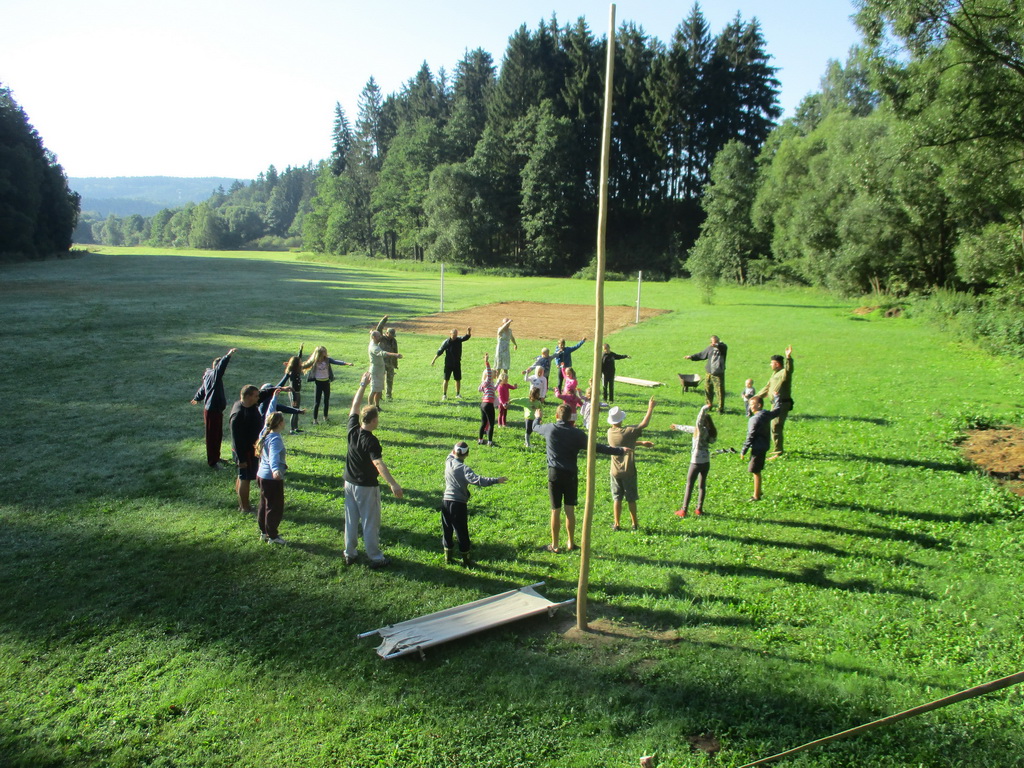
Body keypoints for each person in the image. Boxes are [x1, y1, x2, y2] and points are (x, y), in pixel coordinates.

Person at [531, 403, 630, 553]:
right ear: (571, 417)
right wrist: (619, 451)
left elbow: (535, 427)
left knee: (555, 510)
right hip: (570, 474)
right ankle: (570, 542)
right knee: (569, 509)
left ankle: (555, 545)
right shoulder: (577, 434)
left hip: (554, 474)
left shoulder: (550, 428)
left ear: (557, 416)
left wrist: (537, 418)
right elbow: (597, 447)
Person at [343, 371, 403, 568]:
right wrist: (393, 484)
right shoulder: (371, 441)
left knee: (351, 520)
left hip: (349, 483)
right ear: (374, 420)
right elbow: (378, 464)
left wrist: (362, 384)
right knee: (370, 522)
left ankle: (350, 553)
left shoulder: (352, 429)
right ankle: (375, 557)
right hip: (366, 487)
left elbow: (354, 405)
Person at [441, 441, 507, 565]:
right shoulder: (464, 469)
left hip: (445, 501)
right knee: (461, 531)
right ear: (467, 454)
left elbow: (452, 453)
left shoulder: (448, 461)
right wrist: (496, 480)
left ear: (454, 451)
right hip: (458, 504)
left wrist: (456, 449)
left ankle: (448, 557)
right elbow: (479, 480)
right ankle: (466, 560)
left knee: (447, 529)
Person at [606, 399, 655, 531]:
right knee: (631, 498)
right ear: (621, 419)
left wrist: (641, 443)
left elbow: (622, 444)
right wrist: (650, 407)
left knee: (617, 498)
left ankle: (617, 524)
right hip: (628, 471)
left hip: (615, 471)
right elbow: (644, 424)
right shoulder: (628, 431)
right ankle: (634, 524)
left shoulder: (610, 433)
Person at [191, 347, 236, 468]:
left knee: (217, 435)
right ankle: (212, 462)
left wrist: (197, 398)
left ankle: (216, 457)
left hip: (216, 410)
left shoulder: (209, 375)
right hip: (212, 411)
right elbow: (221, 368)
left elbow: (203, 389)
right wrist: (228, 355)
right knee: (212, 437)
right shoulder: (215, 375)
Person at [671, 403, 717, 518]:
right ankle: (699, 509)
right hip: (706, 462)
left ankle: (684, 510)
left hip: (696, 462)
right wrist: (677, 426)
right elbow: (689, 428)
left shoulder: (700, 431)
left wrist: (703, 409)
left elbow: (698, 422)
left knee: (689, 485)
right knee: (702, 485)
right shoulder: (709, 432)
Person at [255, 411, 288, 544]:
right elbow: (273, 456)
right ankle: (273, 536)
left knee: (264, 504)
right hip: (271, 478)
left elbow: (269, 412)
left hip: (261, 476)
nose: (284, 422)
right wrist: (275, 470)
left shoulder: (266, 433)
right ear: (279, 423)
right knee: (274, 507)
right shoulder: (275, 439)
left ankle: (264, 532)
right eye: (283, 420)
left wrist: (273, 400)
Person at [755, 345, 794, 458]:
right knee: (773, 426)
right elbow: (767, 387)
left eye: (772, 363)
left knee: (776, 426)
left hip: (782, 403)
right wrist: (755, 397)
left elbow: (789, 370)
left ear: (777, 364)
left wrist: (788, 358)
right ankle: (777, 448)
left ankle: (778, 451)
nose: (770, 365)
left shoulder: (784, 373)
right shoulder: (775, 374)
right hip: (775, 404)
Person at [229, 384, 263, 513]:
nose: (258, 398)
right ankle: (245, 507)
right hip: (245, 452)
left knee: (241, 476)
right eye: (256, 396)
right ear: (248, 397)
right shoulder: (239, 415)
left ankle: (242, 504)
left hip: (249, 450)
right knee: (245, 478)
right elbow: (236, 439)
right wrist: (241, 459)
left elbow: (264, 394)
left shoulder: (248, 405)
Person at [740, 396, 781, 501]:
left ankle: (756, 496)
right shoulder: (766, 414)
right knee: (756, 469)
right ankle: (759, 490)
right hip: (764, 445)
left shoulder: (754, 419)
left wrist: (744, 450)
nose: (750, 406)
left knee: (755, 471)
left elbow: (750, 436)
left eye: (752, 404)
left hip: (757, 448)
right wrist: (777, 398)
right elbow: (777, 410)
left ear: (759, 405)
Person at [302, 346, 353, 424]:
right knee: (317, 402)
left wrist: (346, 363)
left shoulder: (327, 360)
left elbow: (336, 361)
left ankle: (325, 417)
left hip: (326, 382)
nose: (325, 353)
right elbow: (305, 365)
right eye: (324, 352)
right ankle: (315, 419)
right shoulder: (314, 361)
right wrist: (291, 365)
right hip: (318, 383)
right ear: (319, 353)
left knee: (326, 401)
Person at [685, 335, 728, 414]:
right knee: (708, 390)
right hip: (709, 373)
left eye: (716, 342)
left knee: (719, 392)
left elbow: (721, 347)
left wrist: (716, 345)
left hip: (718, 374)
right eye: (713, 342)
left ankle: (720, 408)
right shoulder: (710, 348)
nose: (714, 344)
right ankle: (709, 406)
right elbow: (701, 355)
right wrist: (691, 357)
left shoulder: (723, 347)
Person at [431, 327, 472, 400]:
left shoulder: (458, 340)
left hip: (457, 363)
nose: (455, 336)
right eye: (454, 335)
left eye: (456, 335)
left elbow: (466, 337)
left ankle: (458, 394)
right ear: (450, 334)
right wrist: (433, 360)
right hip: (448, 364)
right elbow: (440, 351)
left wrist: (468, 331)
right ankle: (444, 395)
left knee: (458, 379)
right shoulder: (446, 342)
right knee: (446, 379)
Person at [368, 329, 402, 409]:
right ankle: (369, 407)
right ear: (374, 337)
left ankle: (377, 406)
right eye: (379, 336)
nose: (380, 337)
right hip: (375, 371)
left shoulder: (375, 342)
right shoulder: (374, 347)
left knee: (379, 390)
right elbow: (382, 353)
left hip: (380, 370)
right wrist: (394, 355)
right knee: (374, 390)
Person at [279, 344, 305, 434]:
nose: (301, 363)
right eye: (299, 362)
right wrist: (294, 398)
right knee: (294, 411)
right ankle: (291, 429)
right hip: (294, 393)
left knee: (297, 410)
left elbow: (298, 357)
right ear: (296, 364)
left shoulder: (296, 370)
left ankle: (296, 428)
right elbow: (293, 386)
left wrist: (300, 350)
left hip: (297, 392)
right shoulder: (293, 373)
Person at [374, 316, 399, 400]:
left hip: (390, 363)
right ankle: (379, 396)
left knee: (390, 379)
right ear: (387, 333)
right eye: (391, 335)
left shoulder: (393, 341)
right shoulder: (381, 338)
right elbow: (379, 328)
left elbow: (395, 351)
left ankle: (389, 395)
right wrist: (384, 319)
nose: (392, 337)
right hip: (382, 362)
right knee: (380, 380)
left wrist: (395, 363)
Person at [478, 354, 497, 445]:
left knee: (484, 422)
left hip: (483, 404)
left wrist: (499, 382)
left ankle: (480, 440)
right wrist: (487, 362)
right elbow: (489, 372)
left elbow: (481, 389)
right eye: (494, 372)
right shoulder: (488, 381)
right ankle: (489, 442)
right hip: (488, 404)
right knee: (491, 423)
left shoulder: (488, 384)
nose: (495, 373)